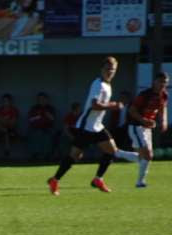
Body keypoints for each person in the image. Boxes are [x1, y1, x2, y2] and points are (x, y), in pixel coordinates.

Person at [47, 57, 139, 196]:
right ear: (101, 69)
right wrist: (114, 105)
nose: (110, 72)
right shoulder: (98, 84)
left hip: (97, 126)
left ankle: (98, 179)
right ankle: (55, 180)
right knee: (75, 156)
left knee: (111, 151)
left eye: (112, 70)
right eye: (107, 69)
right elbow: (95, 105)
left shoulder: (107, 85)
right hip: (86, 127)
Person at [127, 71, 169, 188]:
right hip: (136, 127)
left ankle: (116, 153)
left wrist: (164, 121)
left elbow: (163, 108)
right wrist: (143, 120)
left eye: (164, 83)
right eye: (160, 82)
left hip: (146, 128)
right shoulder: (145, 95)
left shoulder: (164, 95)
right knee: (148, 155)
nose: (162, 85)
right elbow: (132, 110)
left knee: (144, 156)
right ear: (154, 82)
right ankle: (140, 182)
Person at [27, 92, 56, 160]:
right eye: (40, 99)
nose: (41, 100)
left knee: (48, 136)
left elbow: (53, 119)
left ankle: (47, 155)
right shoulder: (34, 108)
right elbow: (30, 119)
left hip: (48, 128)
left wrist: (47, 113)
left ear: (46, 99)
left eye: (43, 99)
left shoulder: (50, 108)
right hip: (35, 128)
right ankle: (35, 155)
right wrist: (37, 117)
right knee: (36, 134)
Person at [0, 93, 19, 158]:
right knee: (2, 133)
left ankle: (7, 152)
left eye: (7, 101)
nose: (6, 103)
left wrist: (3, 121)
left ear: (10, 102)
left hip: (11, 131)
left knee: (7, 133)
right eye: (4, 101)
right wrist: (3, 124)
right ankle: (6, 152)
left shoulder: (14, 110)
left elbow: (13, 123)